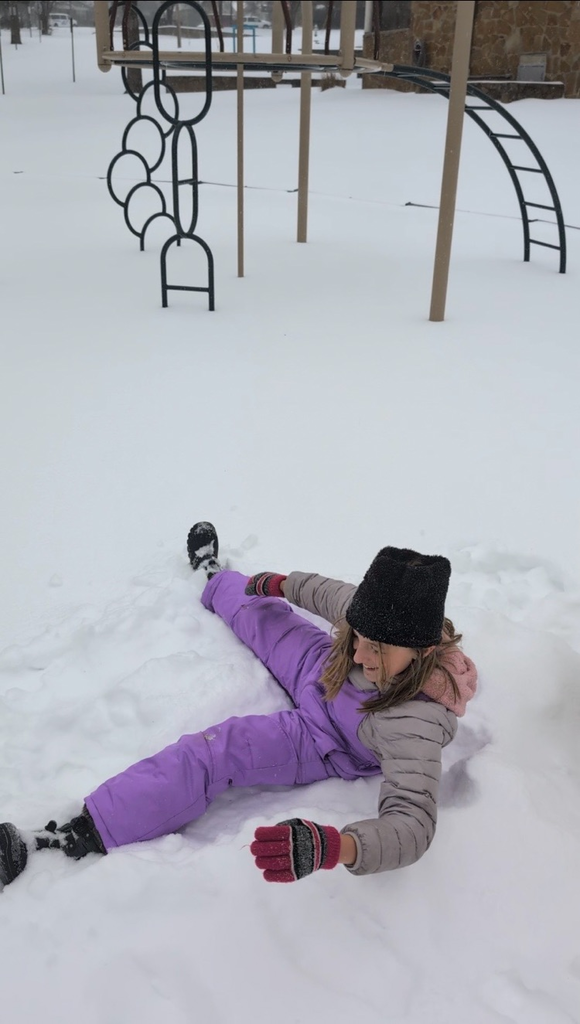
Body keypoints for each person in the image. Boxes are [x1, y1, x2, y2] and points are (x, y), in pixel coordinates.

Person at [0, 522, 477, 888]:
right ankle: (215, 578)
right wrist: (277, 585)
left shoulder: (415, 723)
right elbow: (328, 593)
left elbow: (411, 826)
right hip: (322, 671)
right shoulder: (371, 626)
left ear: (423, 652)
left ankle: (77, 835)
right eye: (360, 637)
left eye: (378, 648)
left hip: (325, 739)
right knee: (260, 611)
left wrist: (339, 846)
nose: (362, 653)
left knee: (217, 750)